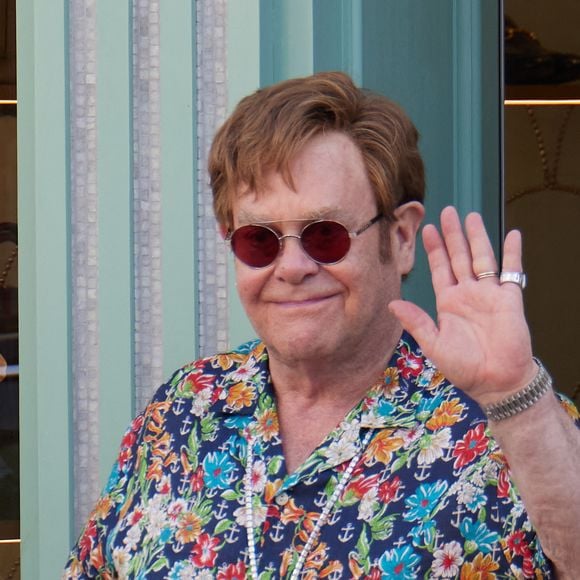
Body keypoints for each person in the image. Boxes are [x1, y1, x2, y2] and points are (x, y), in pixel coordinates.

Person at [63, 72, 580, 579]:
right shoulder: (184, 408)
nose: (291, 268)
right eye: (259, 240)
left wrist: (517, 395)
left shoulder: (508, 419)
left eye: (325, 235)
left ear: (399, 238)